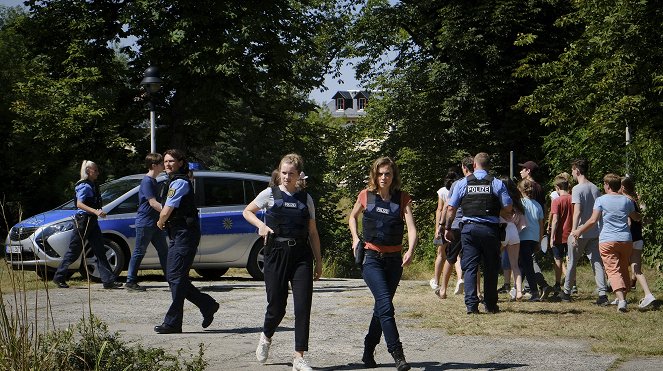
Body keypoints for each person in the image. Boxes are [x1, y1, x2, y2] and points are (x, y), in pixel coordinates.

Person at [243, 153, 322, 371]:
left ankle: (299, 356)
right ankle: (266, 336)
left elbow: (313, 232)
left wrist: (319, 260)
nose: (287, 177)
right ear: (280, 172)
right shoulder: (270, 194)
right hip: (275, 252)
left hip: (301, 256)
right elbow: (247, 211)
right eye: (284, 173)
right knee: (277, 306)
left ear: (299, 175)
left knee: (303, 305)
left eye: (291, 174)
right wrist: (260, 225)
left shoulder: (306, 199)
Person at [349, 156, 416, 371]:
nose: (384, 177)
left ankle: (368, 351)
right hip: (371, 259)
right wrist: (355, 238)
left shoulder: (402, 198)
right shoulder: (365, 196)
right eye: (380, 174)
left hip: (394, 261)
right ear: (374, 175)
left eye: (387, 173)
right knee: (386, 305)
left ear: (393, 175)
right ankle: (398, 354)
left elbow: (412, 228)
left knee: (381, 307)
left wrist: (411, 250)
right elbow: (352, 218)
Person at [154, 149, 219, 334]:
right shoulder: (173, 181)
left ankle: (173, 322)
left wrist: (160, 221)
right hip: (177, 234)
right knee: (175, 277)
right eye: (165, 161)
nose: (167, 164)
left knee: (175, 277)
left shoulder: (180, 182)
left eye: (171, 161)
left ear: (181, 163)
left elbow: (167, 210)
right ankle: (207, 304)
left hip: (184, 234)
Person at [445, 152, 512, 314]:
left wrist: (447, 227)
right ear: (489, 166)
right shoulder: (496, 184)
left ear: (474, 165)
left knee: (470, 267)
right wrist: (496, 212)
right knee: (490, 267)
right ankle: (490, 305)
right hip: (490, 230)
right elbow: (508, 207)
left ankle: (471, 305)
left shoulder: (462, 184)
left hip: (469, 230)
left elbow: (451, 207)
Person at [570, 174, 640, 312]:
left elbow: (592, 220)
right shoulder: (627, 201)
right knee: (623, 268)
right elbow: (635, 217)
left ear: (607, 185)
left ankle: (621, 300)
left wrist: (578, 231)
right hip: (626, 239)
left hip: (607, 240)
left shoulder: (601, 200)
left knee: (613, 270)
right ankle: (621, 297)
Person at [53, 161, 123, 289]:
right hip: (83, 221)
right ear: (88, 171)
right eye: (95, 170)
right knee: (74, 251)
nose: (98, 173)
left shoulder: (91, 185)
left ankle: (108, 280)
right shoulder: (84, 186)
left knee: (100, 249)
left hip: (91, 221)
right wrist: (96, 211)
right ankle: (59, 277)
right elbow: (79, 204)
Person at [561, 158, 608, 305]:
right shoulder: (595, 188)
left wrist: (574, 231)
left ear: (577, 170)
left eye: (572, 170)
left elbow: (577, 212)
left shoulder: (576, 189)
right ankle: (602, 294)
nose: (572, 173)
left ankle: (567, 292)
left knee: (572, 262)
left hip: (580, 232)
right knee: (597, 262)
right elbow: (600, 211)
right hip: (594, 232)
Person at [125, 153, 169, 291]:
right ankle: (130, 281)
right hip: (145, 222)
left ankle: (172, 279)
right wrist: (167, 211)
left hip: (155, 222)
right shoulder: (147, 181)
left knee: (164, 251)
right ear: (154, 165)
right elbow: (152, 203)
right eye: (161, 163)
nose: (164, 166)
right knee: (139, 251)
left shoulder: (154, 181)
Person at [620, 177, 656, 309]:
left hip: (628, 239)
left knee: (622, 268)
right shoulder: (636, 201)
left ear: (623, 188)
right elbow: (643, 219)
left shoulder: (625, 201)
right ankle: (648, 294)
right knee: (636, 270)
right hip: (638, 238)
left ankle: (621, 298)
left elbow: (628, 222)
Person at [430, 168, 461, 297]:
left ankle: (436, 281)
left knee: (441, 254)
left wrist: (438, 226)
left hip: (446, 224)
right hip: (459, 224)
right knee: (458, 255)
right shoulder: (460, 188)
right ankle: (460, 279)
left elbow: (440, 209)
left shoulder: (442, 191)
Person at [517, 179, 545, 301]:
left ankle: (534, 292)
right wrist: (539, 241)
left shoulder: (520, 203)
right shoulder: (538, 205)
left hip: (523, 237)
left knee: (527, 265)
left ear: (520, 190)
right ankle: (517, 289)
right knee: (523, 264)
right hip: (534, 238)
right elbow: (541, 225)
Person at [499, 177, 525, 301]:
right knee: (515, 265)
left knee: (492, 261)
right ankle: (519, 291)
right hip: (513, 230)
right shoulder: (517, 202)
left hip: (501, 230)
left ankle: (492, 289)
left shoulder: (500, 200)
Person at [549, 174, 573, 294]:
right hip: (572, 234)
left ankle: (558, 284)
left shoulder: (556, 201)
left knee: (558, 259)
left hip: (559, 235)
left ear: (558, 187)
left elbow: (555, 220)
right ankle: (571, 284)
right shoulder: (573, 199)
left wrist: (552, 236)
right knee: (570, 260)